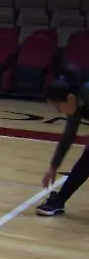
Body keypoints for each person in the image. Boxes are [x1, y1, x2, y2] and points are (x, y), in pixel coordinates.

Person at [36, 68, 88, 217]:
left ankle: (58, 201)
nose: (59, 111)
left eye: (58, 106)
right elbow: (69, 135)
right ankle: (59, 201)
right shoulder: (76, 100)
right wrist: (54, 165)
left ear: (70, 99)